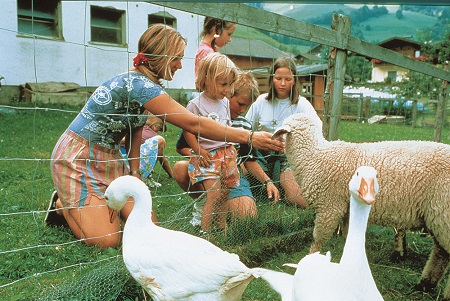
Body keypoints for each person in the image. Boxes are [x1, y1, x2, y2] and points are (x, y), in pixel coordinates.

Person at [45, 24, 284, 249]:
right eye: (178, 58)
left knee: (149, 227)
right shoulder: (138, 85)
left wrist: (135, 172)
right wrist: (248, 136)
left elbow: (136, 128)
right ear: (162, 57)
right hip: (80, 157)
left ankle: (92, 207)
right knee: (108, 240)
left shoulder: (146, 85)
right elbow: (191, 122)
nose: (181, 65)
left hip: (109, 157)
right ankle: (63, 204)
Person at [173, 71, 280, 228]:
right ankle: (204, 205)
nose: (243, 109)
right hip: (207, 168)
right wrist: (203, 154)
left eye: (247, 106)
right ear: (227, 95)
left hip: (230, 172)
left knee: (247, 216)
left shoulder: (244, 125)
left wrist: (267, 181)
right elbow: (181, 146)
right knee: (181, 168)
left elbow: (249, 160)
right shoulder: (206, 117)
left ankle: (218, 210)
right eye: (241, 104)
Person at [245, 57, 322, 208]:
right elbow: (246, 129)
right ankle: (260, 188)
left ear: (294, 80)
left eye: (287, 79)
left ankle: (284, 190)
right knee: (242, 170)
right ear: (271, 79)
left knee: (298, 198)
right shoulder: (261, 102)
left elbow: (317, 128)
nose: (282, 83)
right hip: (261, 155)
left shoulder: (301, 104)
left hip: (288, 158)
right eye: (278, 78)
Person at [122, 113, 173, 188]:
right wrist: (172, 175)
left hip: (120, 161)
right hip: (131, 166)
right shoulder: (152, 135)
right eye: (160, 129)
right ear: (156, 126)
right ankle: (146, 176)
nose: (158, 132)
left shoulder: (137, 129)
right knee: (160, 141)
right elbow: (163, 159)